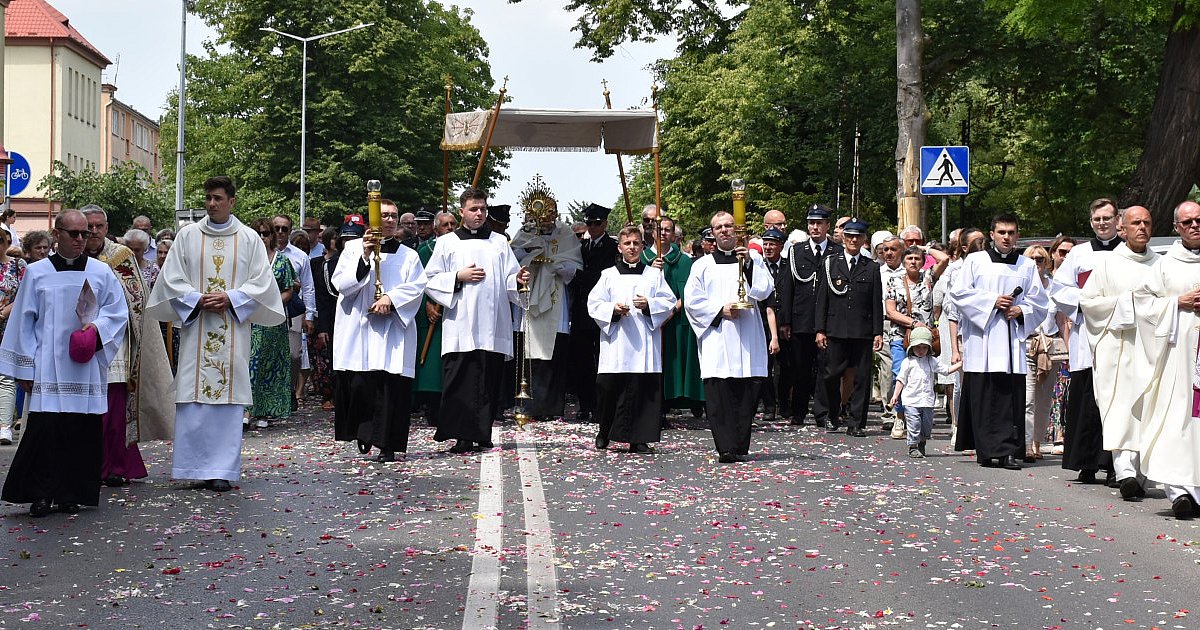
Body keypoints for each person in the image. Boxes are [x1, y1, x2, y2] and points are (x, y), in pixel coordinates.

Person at [146, 176, 285, 492]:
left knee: (227, 400)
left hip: (233, 329)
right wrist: (195, 299)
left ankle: (222, 469)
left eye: (218, 198)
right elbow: (171, 279)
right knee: (195, 399)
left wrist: (232, 298)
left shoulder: (249, 239)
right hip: (197, 328)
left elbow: (262, 283)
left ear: (232, 201)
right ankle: (193, 466)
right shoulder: (187, 237)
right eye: (208, 197)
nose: (211, 204)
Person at [0, 210, 128, 516]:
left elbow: (117, 312)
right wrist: (26, 367)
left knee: (80, 430)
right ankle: (41, 494)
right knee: (46, 431)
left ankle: (72, 493)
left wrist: (97, 331)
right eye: (74, 234)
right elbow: (23, 322)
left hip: (84, 366)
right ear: (57, 235)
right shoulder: (37, 272)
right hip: (47, 365)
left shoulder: (100, 272)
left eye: (85, 234)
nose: (81, 240)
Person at [425, 188, 529, 453]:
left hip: (492, 322)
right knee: (460, 378)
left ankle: (482, 432)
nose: (479, 213)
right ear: (462, 212)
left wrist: (517, 281)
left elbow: (509, 277)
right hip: (461, 321)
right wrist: (457, 276)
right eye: (474, 209)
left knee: (488, 379)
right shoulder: (447, 242)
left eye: (483, 208)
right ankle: (461, 435)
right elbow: (430, 279)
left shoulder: (499, 242)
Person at [950, 214, 1049, 469]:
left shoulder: (1026, 266)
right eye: (1002, 232)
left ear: (1017, 235)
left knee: (1009, 398)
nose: (1007, 237)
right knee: (984, 396)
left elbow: (1040, 302)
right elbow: (959, 294)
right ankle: (985, 449)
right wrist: (991, 301)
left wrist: (1021, 311)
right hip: (982, 340)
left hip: (1010, 342)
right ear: (992, 234)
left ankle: (1007, 451)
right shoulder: (975, 260)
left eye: (1012, 232)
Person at [332, 209, 427, 461]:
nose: (390, 219)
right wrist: (364, 255)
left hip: (393, 329)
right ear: (373, 217)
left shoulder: (409, 255)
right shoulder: (352, 248)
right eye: (384, 215)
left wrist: (391, 299)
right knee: (361, 384)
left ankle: (387, 444)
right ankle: (363, 433)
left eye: (393, 215)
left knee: (390, 386)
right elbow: (340, 284)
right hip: (359, 327)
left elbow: (418, 286)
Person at [1079, 206, 1158, 500]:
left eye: (1147, 223)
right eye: (1135, 223)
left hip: (1152, 350)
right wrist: (1129, 303)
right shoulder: (1107, 265)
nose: (1142, 227)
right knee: (1121, 409)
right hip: (1118, 348)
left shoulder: (1160, 264)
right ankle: (1124, 472)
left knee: (1148, 410)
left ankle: (1141, 474)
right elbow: (1088, 303)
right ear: (1122, 229)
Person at [684, 211, 774, 463]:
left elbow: (765, 289)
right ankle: (725, 447)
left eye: (728, 226)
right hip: (718, 335)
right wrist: (719, 311)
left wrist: (749, 266)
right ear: (712, 234)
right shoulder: (701, 265)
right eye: (719, 227)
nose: (724, 230)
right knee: (719, 393)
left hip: (747, 334)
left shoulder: (753, 257)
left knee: (746, 393)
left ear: (737, 230)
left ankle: (740, 444)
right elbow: (692, 301)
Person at [1129, 201, 1200, 517]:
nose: (1195, 225)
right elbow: (1143, 304)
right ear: (1177, 227)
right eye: (1187, 222)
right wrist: (1176, 303)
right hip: (1177, 357)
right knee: (1177, 419)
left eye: (1199, 219)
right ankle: (1180, 491)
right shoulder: (1165, 265)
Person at [589, 226, 678, 453]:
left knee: (642, 389)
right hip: (617, 342)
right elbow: (594, 304)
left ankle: (639, 438)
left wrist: (650, 305)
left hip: (644, 343)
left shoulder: (654, 275)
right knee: (610, 389)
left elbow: (668, 301)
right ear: (619, 247)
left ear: (642, 246)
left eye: (636, 243)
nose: (632, 247)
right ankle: (605, 430)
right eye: (627, 243)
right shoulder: (608, 275)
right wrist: (613, 309)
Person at [1052, 198, 1122, 485]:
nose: (1103, 223)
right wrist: (1087, 303)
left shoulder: (1130, 251)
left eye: (1107, 218)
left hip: (1120, 335)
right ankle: (1087, 462)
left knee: (1117, 401)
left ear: (1118, 220)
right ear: (1091, 222)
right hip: (1087, 335)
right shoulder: (1079, 253)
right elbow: (1059, 288)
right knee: (1087, 400)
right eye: (1097, 219)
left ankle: (1117, 464)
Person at [510, 186, 583, 422]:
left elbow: (574, 265)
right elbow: (513, 259)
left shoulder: (566, 233)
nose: (545, 218)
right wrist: (531, 252)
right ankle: (526, 404)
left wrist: (556, 264)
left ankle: (552, 406)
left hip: (555, 298)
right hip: (528, 297)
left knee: (554, 355)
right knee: (528, 352)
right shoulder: (524, 232)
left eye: (550, 212)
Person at [814, 218, 883, 437]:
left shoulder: (871, 267)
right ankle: (833, 415)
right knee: (831, 375)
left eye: (858, 236)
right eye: (850, 236)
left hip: (861, 331)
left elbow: (875, 302)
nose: (854, 240)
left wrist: (877, 332)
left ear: (864, 240)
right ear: (843, 238)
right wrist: (820, 329)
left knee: (862, 378)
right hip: (836, 329)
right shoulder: (831, 263)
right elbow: (822, 299)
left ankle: (856, 423)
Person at [777, 205, 843, 428]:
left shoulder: (836, 251)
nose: (815, 227)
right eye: (811, 223)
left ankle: (822, 412)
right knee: (800, 368)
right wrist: (785, 320)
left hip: (828, 320)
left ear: (827, 226)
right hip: (801, 319)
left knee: (826, 369)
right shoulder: (796, 252)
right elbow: (787, 288)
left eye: (819, 223)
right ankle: (798, 411)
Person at [641, 214, 705, 421]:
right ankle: (657, 406)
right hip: (649, 321)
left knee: (679, 360)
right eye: (659, 230)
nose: (663, 234)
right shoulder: (643, 259)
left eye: (667, 230)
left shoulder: (685, 261)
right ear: (652, 232)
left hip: (677, 320)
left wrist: (671, 311)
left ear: (673, 233)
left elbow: (689, 293)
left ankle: (692, 401)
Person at [884, 243, 949, 438]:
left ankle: (921, 415)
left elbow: (944, 259)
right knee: (900, 374)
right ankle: (900, 416)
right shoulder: (894, 280)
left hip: (925, 338)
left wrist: (924, 248)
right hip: (901, 335)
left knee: (924, 375)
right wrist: (913, 323)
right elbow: (890, 311)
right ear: (903, 261)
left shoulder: (928, 277)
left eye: (917, 258)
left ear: (922, 262)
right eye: (909, 258)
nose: (913, 261)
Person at [567, 203, 618, 422]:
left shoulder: (612, 247)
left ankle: (602, 405)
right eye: (589, 223)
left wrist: (578, 276)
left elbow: (602, 276)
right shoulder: (582, 247)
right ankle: (585, 403)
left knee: (602, 360)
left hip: (603, 309)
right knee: (582, 359)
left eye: (596, 223)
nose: (592, 227)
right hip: (582, 310)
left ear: (605, 224)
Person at [246, 218, 298, 428]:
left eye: (266, 233)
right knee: (250, 363)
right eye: (258, 233)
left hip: (274, 319)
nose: (262, 237)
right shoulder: (245, 261)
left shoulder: (282, 260)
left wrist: (272, 303)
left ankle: (265, 411)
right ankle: (247, 409)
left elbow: (289, 289)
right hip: (249, 318)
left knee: (270, 364)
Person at [890, 326, 961, 458]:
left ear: (929, 348)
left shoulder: (931, 361)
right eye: (918, 347)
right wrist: (895, 396)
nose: (921, 350)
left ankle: (922, 442)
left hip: (927, 401)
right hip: (911, 401)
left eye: (924, 347)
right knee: (913, 424)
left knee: (926, 425)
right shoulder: (908, 362)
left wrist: (960, 364)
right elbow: (901, 380)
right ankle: (912, 446)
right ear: (912, 347)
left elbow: (945, 370)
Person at [413, 210, 456, 426]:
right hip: (431, 314)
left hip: (453, 311)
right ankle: (431, 407)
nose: (449, 228)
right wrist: (427, 303)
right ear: (436, 228)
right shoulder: (424, 250)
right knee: (430, 365)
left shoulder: (461, 248)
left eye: (452, 224)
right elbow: (418, 282)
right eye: (445, 225)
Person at [1021, 244, 1062, 462]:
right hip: (1028, 345)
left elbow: (1062, 319)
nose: (1036, 262)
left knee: (1045, 400)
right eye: (1032, 259)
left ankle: (1037, 442)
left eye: (1040, 259)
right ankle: (1026, 444)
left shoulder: (1054, 287)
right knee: (1028, 399)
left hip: (1050, 348)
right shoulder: (1021, 285)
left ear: (1046, 262)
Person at [272, 214, 316, 412]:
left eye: (284, 229)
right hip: (269, 310)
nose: (280, 233)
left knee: (293, 355)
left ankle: (290, 389)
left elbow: (308, 287)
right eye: (276, 228)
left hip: (293, 310)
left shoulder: (300, 256)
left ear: (290, 231)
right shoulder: (262, 253)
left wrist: (309, 315)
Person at [873, 234, 904, 433]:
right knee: (887, 369)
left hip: (905, 324)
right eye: (886, 250)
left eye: (893, 249)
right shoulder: (877, 271)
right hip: (883, 322)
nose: (889, 253)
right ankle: (889, 412)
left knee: (900, 369)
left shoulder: (909, 271)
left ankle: (905, 412)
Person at [0, 228, 27, 445]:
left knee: (6, 376)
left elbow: (27, 294)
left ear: (8, 240)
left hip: (8, 325)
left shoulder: (18, 266)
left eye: (0, 240)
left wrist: (7, 310)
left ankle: (4, 426)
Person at [757, 227, 786, 420]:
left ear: (780, 246)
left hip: (784, 321)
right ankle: (769, 406)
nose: (768, 248)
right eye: (765, 244)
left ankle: (784, 405)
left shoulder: (788, 266)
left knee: (785, 368)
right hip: (762, 321)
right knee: (765, 367)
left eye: (772, 244)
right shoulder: (758, 266)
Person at [309, 227, 339, 412]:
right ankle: (328, 394)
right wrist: (322, 326)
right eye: (334, 238)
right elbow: (320, 295)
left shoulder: (345, 260)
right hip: (328, 314)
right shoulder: (317, 263)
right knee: (327, 358)